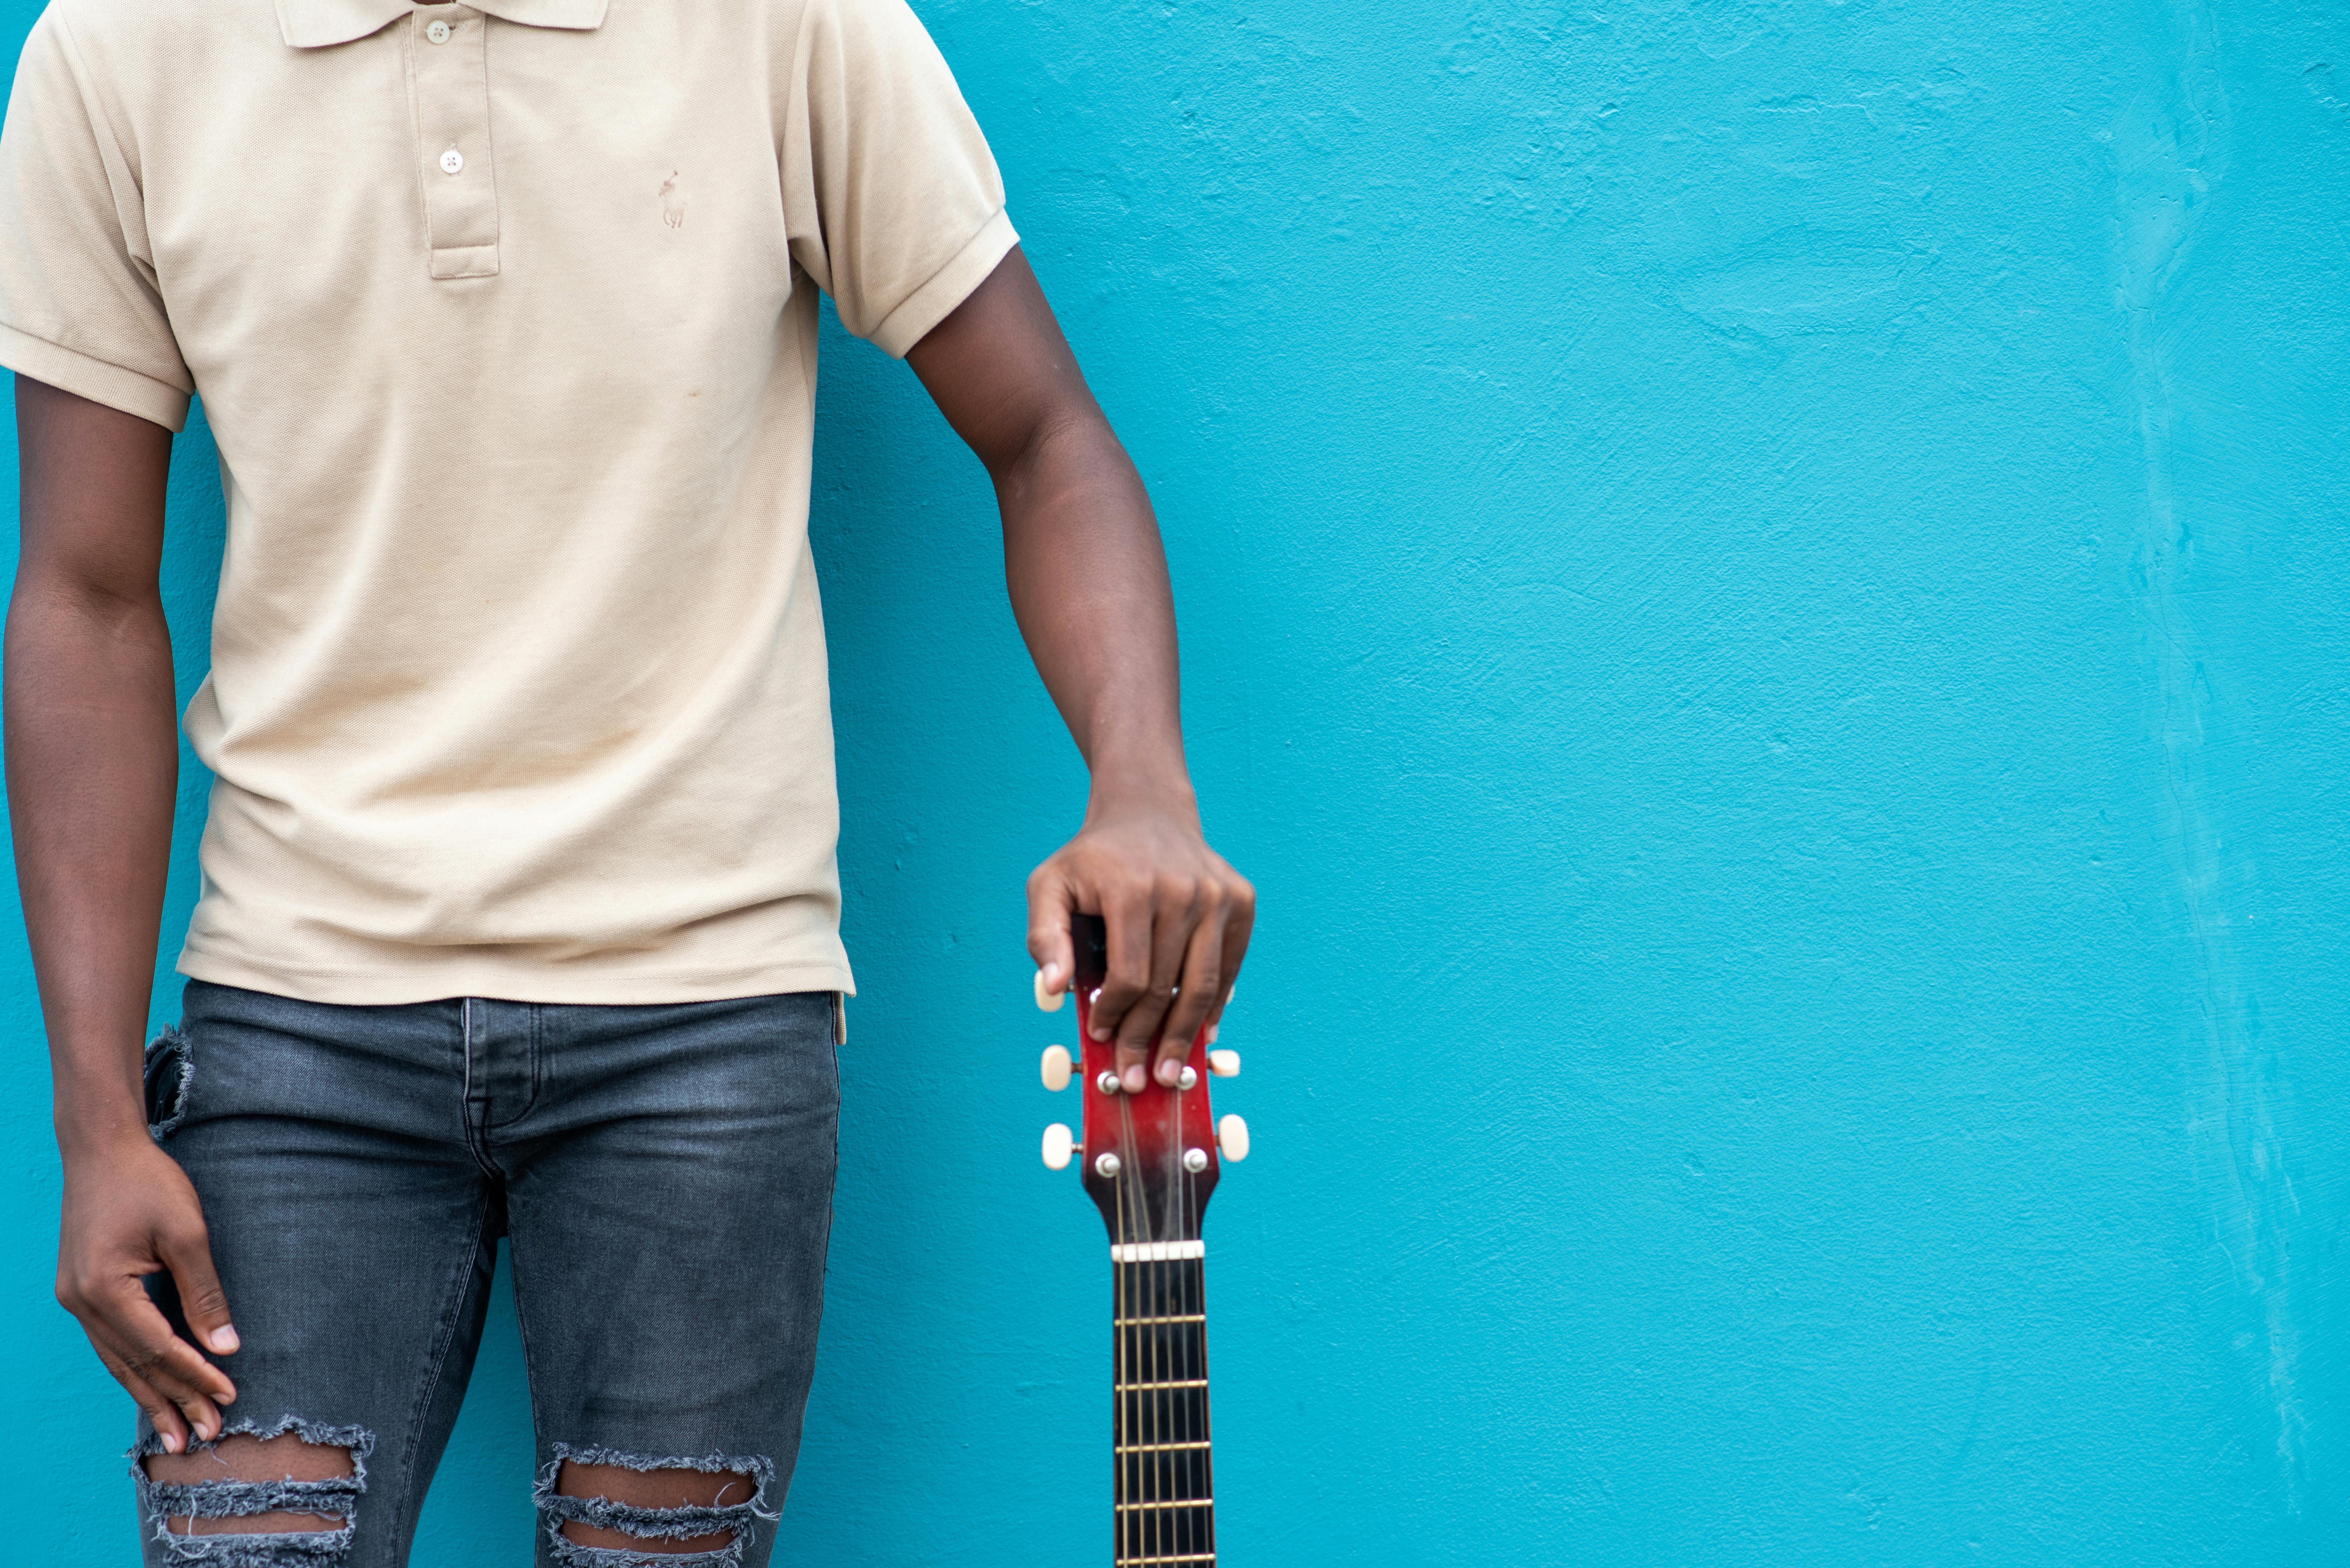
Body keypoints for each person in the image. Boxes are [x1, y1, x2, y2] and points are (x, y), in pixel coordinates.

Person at [0, 0, 1253, 1561]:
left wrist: (1141, 782)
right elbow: (87, 595)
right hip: (295, 1028)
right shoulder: (117, 47)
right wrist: (97, 1122)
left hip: (702, 1024)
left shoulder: (788, 23)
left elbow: (1048, 435)